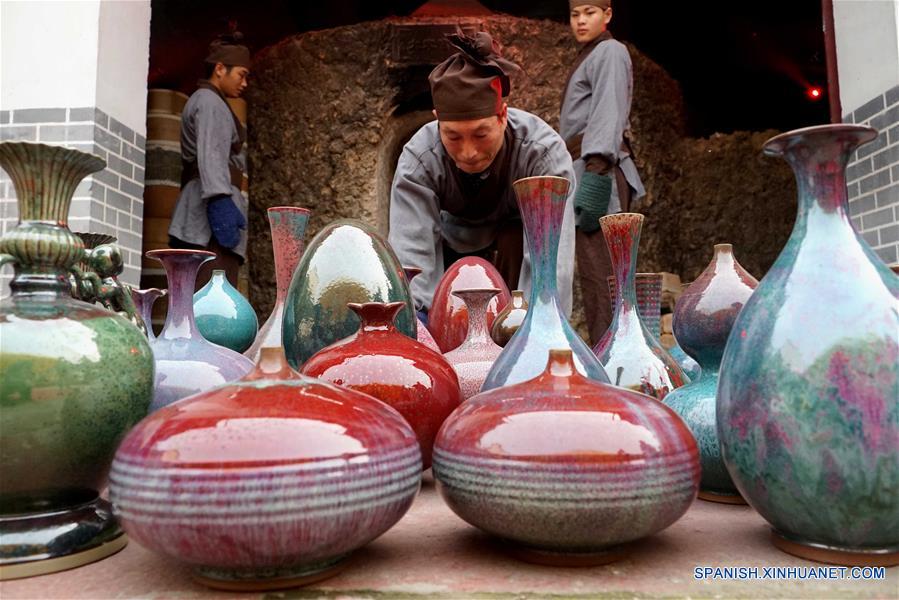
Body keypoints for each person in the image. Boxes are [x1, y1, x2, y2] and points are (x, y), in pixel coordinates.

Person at [388, 30, 577, 321]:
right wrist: (422, 328)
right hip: (451, 249)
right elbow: (411, 261)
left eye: (481, 134)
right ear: (437, 120)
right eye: (453, 136)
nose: (469, 152)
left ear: (502, 116)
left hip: (513, 248)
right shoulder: (419, 159)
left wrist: (535, 326)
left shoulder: (543, 155)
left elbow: (552, 263)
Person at [560, 0, 645, 345]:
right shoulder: (590, 54)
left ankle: (613, 361)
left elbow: (608, 111)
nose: (581, 21)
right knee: (596, 279)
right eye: (575, 15)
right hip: (586, 169)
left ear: (607, 15)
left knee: (605, 276)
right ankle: (607, 357)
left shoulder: (610, 51)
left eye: (590, 13)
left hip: (601, 172)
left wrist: (596, 174)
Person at [168, 31, 251, 289]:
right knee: (213, 300)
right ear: (219, 69)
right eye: (241, 74)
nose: (245, 83)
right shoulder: (209, 102)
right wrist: (219, 202)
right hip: (208, 223)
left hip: (207, 212)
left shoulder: (212, 102)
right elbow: (211, 155)